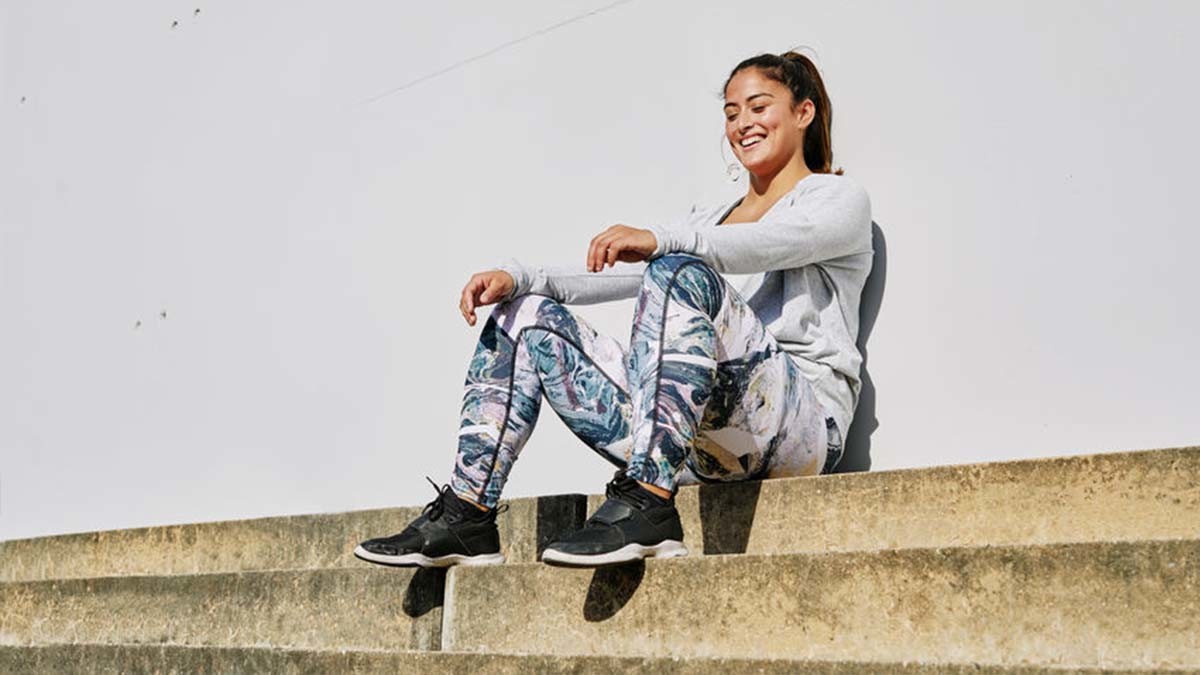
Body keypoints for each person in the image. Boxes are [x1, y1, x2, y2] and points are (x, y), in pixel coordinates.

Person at [354, 50, 873, 569]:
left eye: (758, 107)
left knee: (676, 270)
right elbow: (628, 270)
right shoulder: (712, 218)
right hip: (701, 443)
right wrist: (522, 277)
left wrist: (665, 241)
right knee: (524, 313)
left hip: (801, 434)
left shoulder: (836, 199)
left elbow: (772, 244)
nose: (742, 124)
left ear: (803, 113)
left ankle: (646, 501)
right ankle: (467, 514)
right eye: (732, 113)